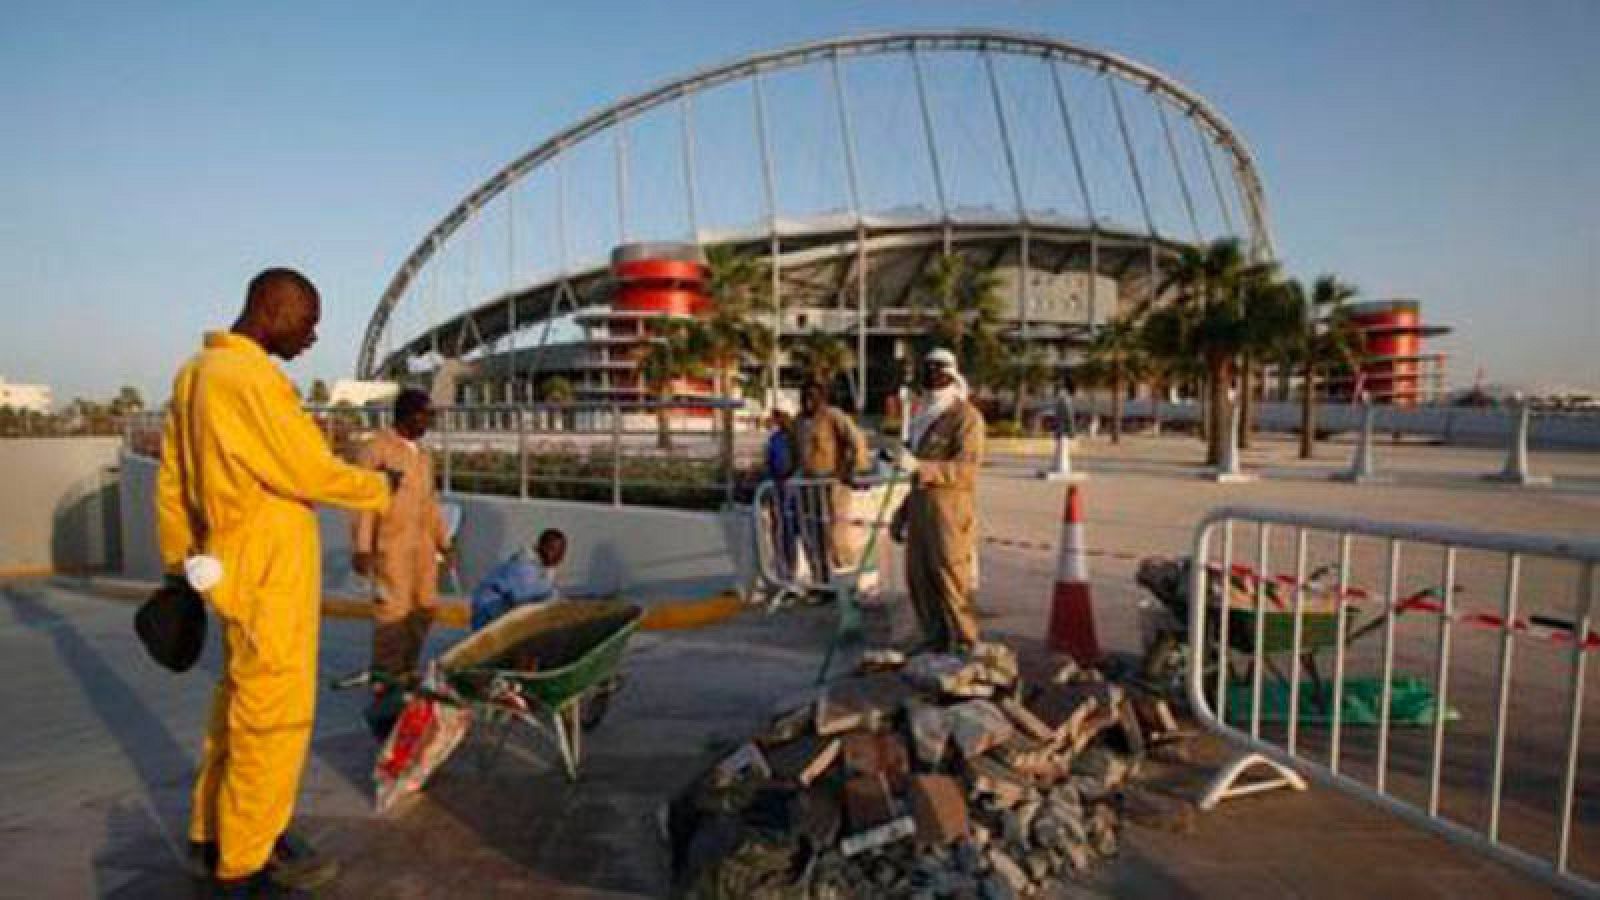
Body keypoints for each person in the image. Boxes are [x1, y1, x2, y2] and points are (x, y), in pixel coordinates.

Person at [156, 268, 392, 892]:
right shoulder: (253, 378)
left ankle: (216, 831)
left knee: (236, 704)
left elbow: (172, 481)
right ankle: (245, 862)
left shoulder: (194, 374)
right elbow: (308, 468)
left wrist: (178, 564)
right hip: (270, 570)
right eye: (307, 322)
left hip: (228, 565)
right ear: (271, 307)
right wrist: (380, 488)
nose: (312, 336)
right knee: (274, 720)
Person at [351, 388, 451, 681]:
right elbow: (362, 503)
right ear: (409, 415)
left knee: (425, 609)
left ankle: (407, 670)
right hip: (389, 546)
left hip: (422, 547)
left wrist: (443, 541)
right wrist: (362, 547)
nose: (429, 423)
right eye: (426, 416)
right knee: (392, 615)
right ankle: (386, 678)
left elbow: (430, 501)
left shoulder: (423, 456)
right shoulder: (376, 450)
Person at [890, 348, 986, 652]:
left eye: (939, 370)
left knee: (951, 577)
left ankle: (966, 643)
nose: (932, 376)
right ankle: (934, 641)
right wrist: (902, 514)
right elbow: (915, 473)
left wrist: (922, 467)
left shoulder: (965, 417)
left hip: (950, 508)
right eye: (928, 369)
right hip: (920, 505)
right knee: (919, 577)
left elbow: (967, 470)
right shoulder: (922, 416)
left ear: (951, 374)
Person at [794, 379, 861, 580]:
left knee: (834, 534)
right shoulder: (799, 421)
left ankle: (846, 582)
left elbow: (855, 441)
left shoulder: (834, 417)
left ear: (822, 398)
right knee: (812, 535)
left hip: (833, 487)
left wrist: (849, 469)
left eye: (813, 397)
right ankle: (821, 581)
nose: (808, 402)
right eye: (804, 397)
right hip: (808, 487)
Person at [470, 529, 567, 630]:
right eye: (552, 549)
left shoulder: (541, 569)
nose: (558, 557)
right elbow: (524, 596)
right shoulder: (525, 566)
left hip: (499, 613)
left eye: (561, 552)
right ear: (540, 546)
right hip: (487, 613)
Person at [763, 406, 799, 577]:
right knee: (779, 527)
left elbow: (790, 461)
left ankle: (789, 568)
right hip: (776, 486)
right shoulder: (775, 439)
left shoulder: (789, 439)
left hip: (788, 486)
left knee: (788, 528)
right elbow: (770, 461)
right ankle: (783, 568)